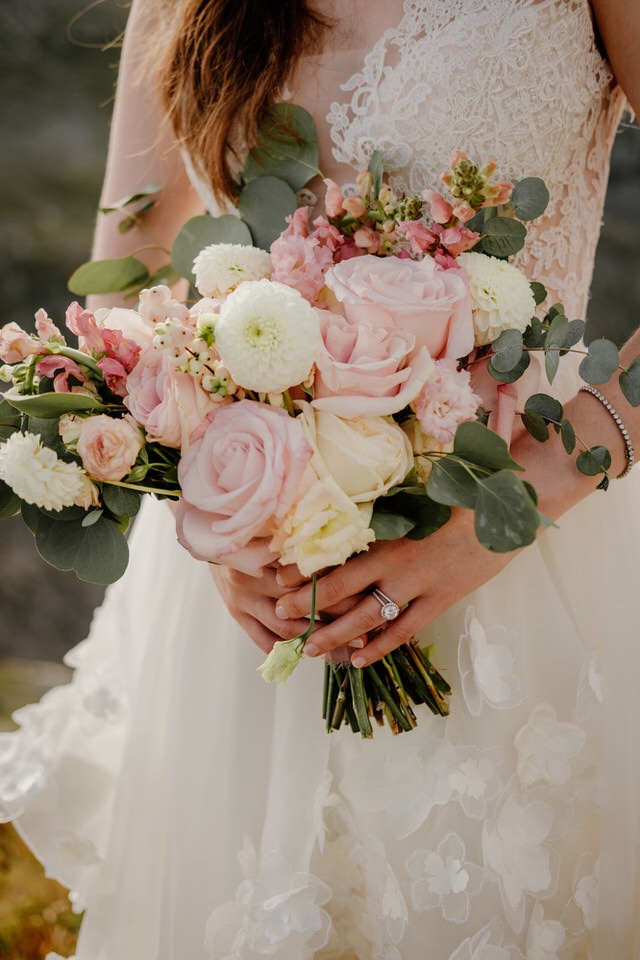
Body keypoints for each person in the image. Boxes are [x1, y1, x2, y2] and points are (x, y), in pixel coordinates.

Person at [3, 0, 640, 957]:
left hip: (523, 531)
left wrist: (512, 508)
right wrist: (206, 501)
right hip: (257, 574)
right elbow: (132, 274)